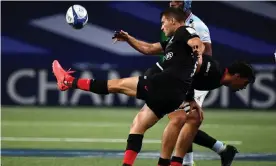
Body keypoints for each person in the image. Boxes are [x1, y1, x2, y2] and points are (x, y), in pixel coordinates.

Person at [52, 7, 205, 166]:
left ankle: (68, 82)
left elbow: (196, 41)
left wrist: (197, 49)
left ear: (173, 21)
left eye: (163, 22)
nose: (162, 27)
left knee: (115, 85)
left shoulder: (183, 30)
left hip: (163, 84)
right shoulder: (175, 42)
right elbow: (149, 49)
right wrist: (128, 38)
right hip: (175, 95)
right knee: (138, 124)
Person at [162, 1, 238, 165]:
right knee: (182, 120)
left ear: (186, 3)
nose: (172, 4)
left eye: (176, 2)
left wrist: (189, 79)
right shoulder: (173, 20)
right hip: (183, 76)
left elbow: (206, 54)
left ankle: (189, 161)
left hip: (193, 79)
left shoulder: (197, 25)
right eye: (170, 1)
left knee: (184, 120)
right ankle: (221, 150)